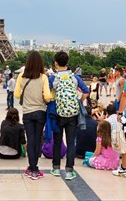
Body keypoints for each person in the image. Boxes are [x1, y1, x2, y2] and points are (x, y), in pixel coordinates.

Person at [13, 51, 52, 180]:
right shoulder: (43, 77)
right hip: (40, 112)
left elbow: (17, 95)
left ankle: (32, 167)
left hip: (27, 112)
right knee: (37, 139)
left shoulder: (21, 77)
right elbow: (47, 96)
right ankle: (35, 167)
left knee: (30, 140)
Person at [50, 51, 80, 181]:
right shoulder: (74, 78)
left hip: (58, 112)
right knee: (71, 142)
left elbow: (48, 94)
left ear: (55, 63)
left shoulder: (53, 78)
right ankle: (69, 170)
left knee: (57, 141)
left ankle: (56, 168)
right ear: (67, 63)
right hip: (72, 113)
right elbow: (86, 91)